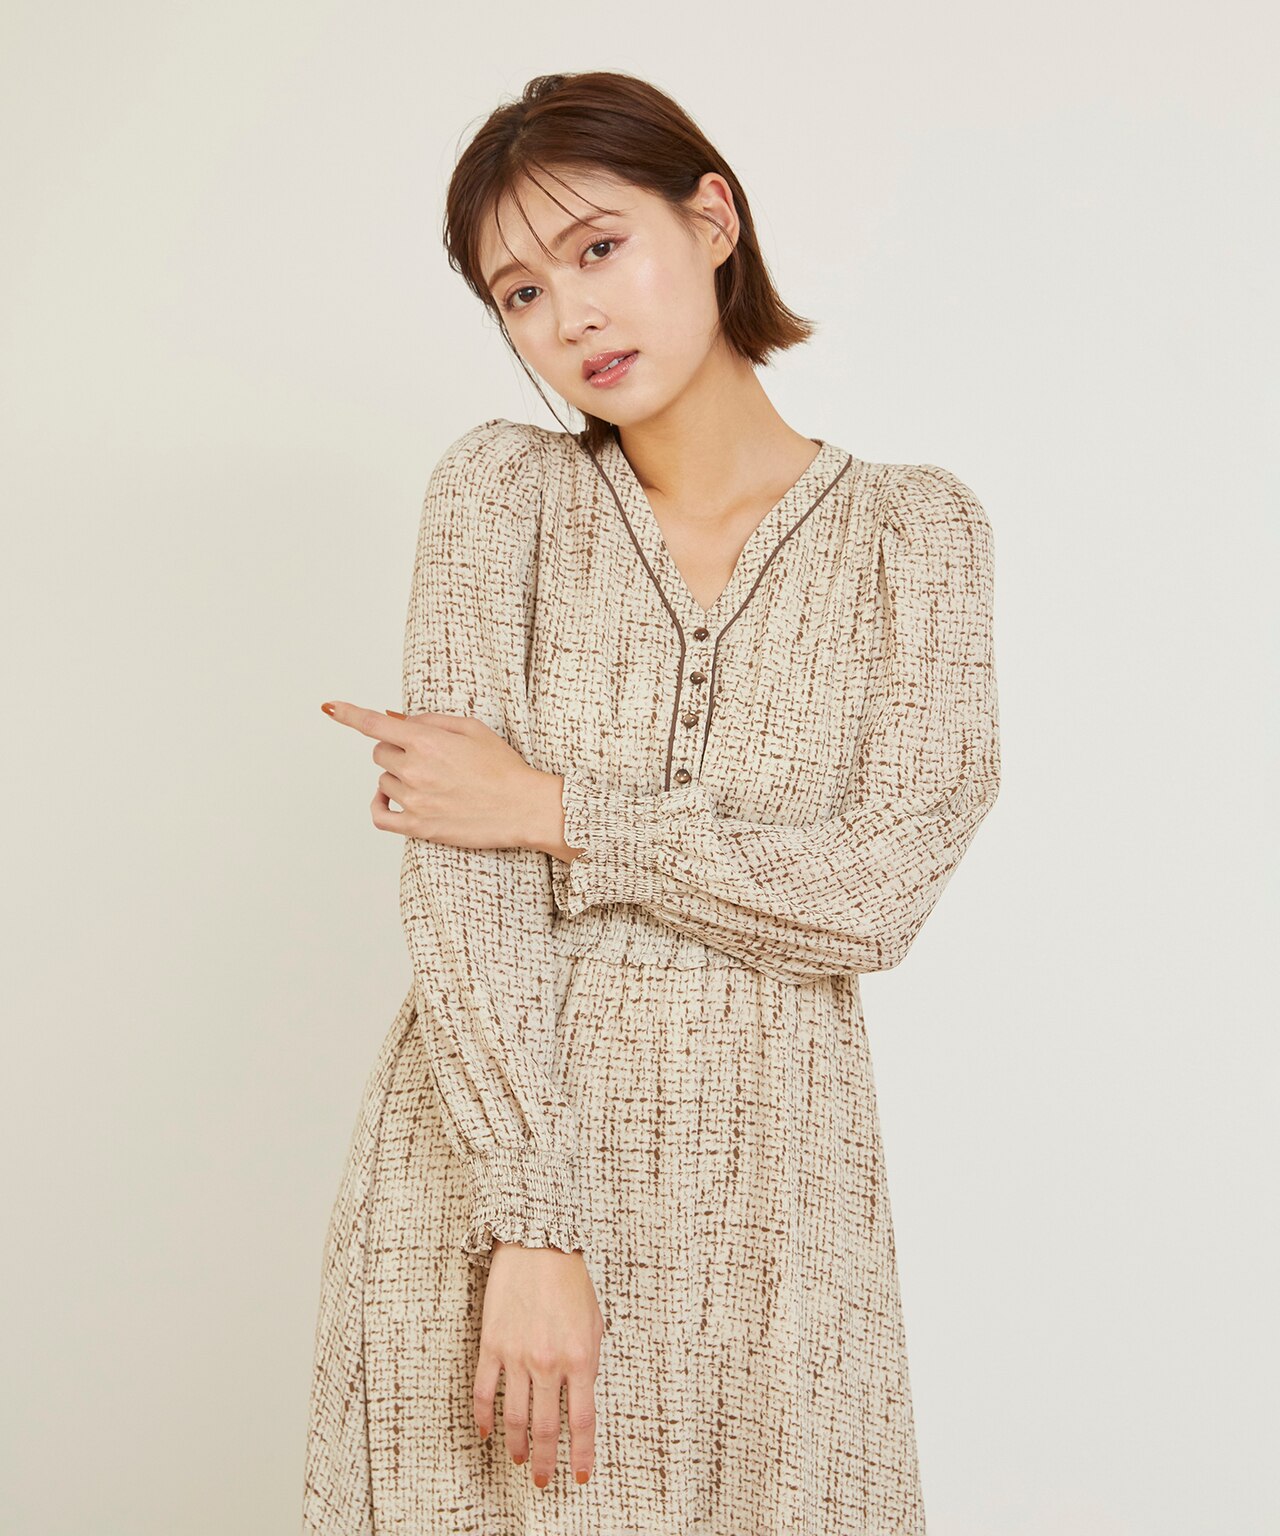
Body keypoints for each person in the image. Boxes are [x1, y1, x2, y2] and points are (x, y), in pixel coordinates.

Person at [302, 70, 1001, 1536]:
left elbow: (875, 897)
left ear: (713, 220)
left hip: (774, 1217)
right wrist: (533, 1225)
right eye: (520, 292)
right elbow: (462, 882)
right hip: (488, 1198)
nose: (571, 315)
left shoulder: (914, 535)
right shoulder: (501, 498)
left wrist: (557, 809)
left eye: (599, 248)